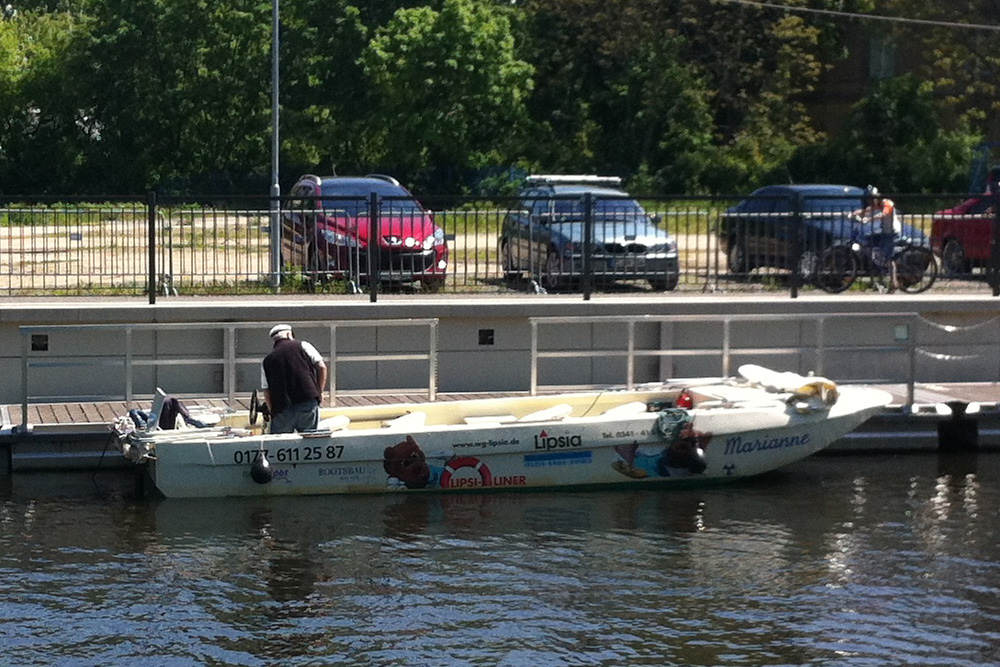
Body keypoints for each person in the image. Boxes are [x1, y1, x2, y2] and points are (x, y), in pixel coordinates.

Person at [261, 323, 328, 433]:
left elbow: (266, 390)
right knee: (309, 440)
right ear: (289, 334)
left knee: (280, 444)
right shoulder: (303, 345)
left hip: (282, 408)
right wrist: (319, 392)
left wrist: (272, 410)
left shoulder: (267, 360)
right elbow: (321, 366)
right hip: (307, 400)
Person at [853, 184, 900, 267]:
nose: (871, 202)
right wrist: (856, 213)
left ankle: (890, 271)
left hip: (892, 231)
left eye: (872, 199)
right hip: (885, 230)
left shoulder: (888, 203)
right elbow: (868, 210)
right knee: (868, 238)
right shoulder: (879, 205)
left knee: (887, 256)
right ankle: (876, 261)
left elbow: (883, 214)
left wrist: (869, 219)